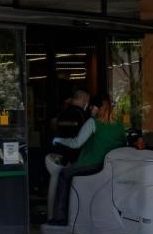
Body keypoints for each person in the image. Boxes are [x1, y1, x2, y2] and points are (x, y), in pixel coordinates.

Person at [48, 94, 127, 225]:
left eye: (92, 107)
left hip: (92, 164)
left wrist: (59, 140)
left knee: (64, 174)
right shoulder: (119, 125)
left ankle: (60, 217)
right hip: (112, 168)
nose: (90, 110)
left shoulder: (93, 122)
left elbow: (76, 143)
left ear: (96, 108)